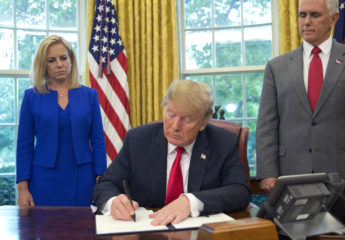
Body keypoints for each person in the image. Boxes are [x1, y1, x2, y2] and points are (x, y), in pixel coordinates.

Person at [256, 0, 345, 195]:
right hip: (293, 177)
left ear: (333, 19)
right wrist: (267, 172)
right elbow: (266, 126)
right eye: (302, 15)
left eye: (315, 15)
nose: (306, 22)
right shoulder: (276, 67)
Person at [92, 79, 251, 225]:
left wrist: (190, 202)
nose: (175, 125)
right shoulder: (138, 140)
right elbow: (105, 184)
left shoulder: (222, 142)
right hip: (148, 232)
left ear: (203, 122)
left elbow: (240, 191)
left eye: (186, 119)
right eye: (171, 114)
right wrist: (112, 202)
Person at [16, 35, 107, 206]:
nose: (59, 64)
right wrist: (22, 189)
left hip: (83, 178)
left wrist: (101, 180)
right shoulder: (32, 97)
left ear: (71, 60)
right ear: (44, 65)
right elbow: (24, 145)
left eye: (63, 58)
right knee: (46, 231)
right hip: (43, 180)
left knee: (83, 230)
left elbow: (98, 141)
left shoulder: (90, 95)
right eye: (51, 60)